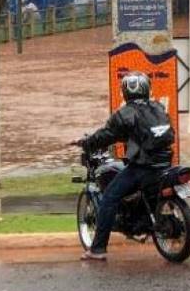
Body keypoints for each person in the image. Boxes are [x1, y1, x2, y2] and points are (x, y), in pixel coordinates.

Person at [72, 71, 173, 261]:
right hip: (165, 163)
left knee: (109, 198)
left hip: (143, 167)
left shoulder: (124, 113)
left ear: (125, 92)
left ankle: (98, 249)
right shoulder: (158, 107)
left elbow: (106, 135)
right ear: (146, 89)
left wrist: (85, 143)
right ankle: (144, 222)